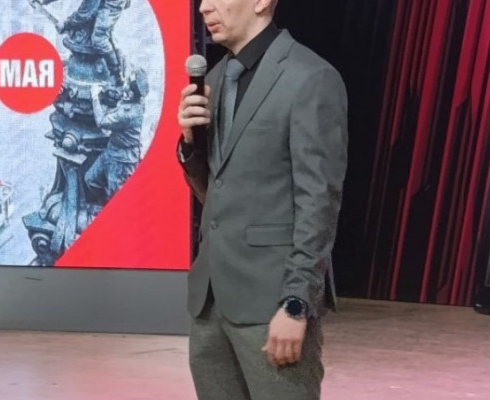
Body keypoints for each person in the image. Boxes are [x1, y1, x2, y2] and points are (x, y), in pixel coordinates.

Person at [176, 0, 348, 399]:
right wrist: (189, 144)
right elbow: (214, 192)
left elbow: (319, 202)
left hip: (272, 299)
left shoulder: (310, 77)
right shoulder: (215, 79)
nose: (204, 8)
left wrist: (297, 303)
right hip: (211, 301)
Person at [85, 67, 146, 200]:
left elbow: (101, 121)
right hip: (112, 150)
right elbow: (123, 99)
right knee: (90, 179)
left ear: (130, 94)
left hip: (122, 160)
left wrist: (95, 96)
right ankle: (105, 204)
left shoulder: (127, 114)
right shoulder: (137, 100)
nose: (124, 83)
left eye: (127, 83)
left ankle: (112, 208)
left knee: (116, 195)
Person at [39, 0, 130, 84]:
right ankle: (119, 64)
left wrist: (66, 25)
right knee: (105, 32)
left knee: (99, 38)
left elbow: (85, 13)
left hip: (111, 5)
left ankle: (116, 75)